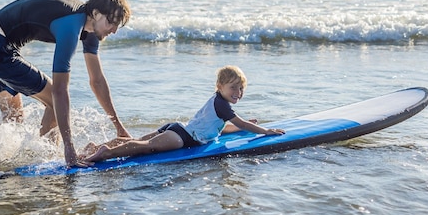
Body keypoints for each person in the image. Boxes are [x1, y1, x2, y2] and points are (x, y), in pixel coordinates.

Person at [0, 0, 132, 167]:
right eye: (112, 22)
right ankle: (47, 160)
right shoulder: (72, 26)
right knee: (55, 102)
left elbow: (97, 81)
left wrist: (119, 127)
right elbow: (60, 91)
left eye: (118, 25)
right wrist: (69, 149)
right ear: (96, 13)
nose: (115, 30)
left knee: (14, 117)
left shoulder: (91, 29)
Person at [85, 65, 285, 163]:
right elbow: (242, 124)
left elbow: (223, 129)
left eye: (241, 89)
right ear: (220, 86)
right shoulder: (223, 106)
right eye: (233, 87)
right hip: (182, 138)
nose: (238, 93)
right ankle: (106, 152)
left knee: (140, 141)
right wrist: (265, 131)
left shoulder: (217, 102)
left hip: (178, 129)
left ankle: (95, 148)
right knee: (146, 147)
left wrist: (243, 125)